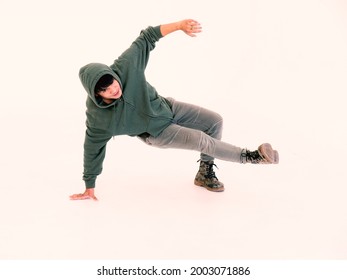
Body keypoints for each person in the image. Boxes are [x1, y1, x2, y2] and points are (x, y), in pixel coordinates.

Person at [70, 19, 279, 201]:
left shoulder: (125, 66)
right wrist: (89, 185)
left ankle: (205, 173)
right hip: (156, 133)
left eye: (112, 83)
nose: (113, 89)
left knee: (214, 121)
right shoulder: (99, 119)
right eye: (105, 90)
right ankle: (252, 157)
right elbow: (92, 149)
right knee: (200, 139)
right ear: (98, 95)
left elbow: (147, 36)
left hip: (167, 107)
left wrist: (179, 25)